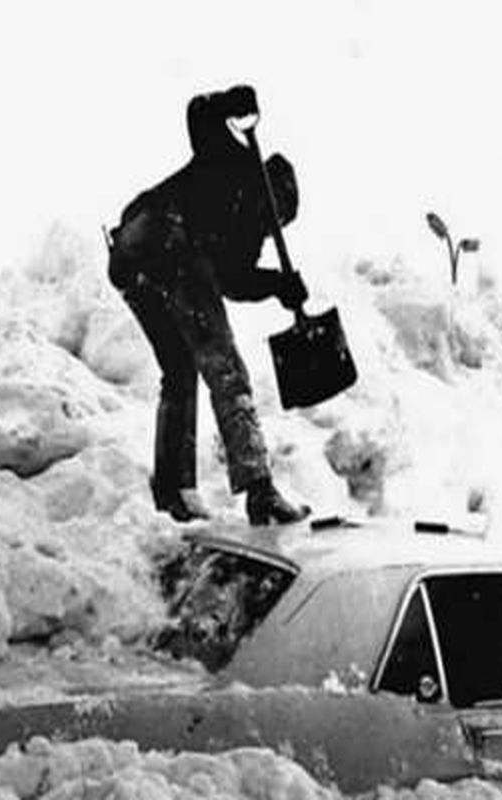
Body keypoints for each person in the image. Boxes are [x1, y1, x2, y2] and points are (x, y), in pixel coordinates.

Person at [107, 84, 310, 525]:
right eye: (276, 209)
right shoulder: (229, 163)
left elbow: (233, 280)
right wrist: (234, 106)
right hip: (163, 238)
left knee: (180, 371)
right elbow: (199, 114)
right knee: (225, 366)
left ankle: (174, 493)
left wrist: (278, 285)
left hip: (132, 260)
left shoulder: (250, 223)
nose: (273, 220)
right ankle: (260, 490)